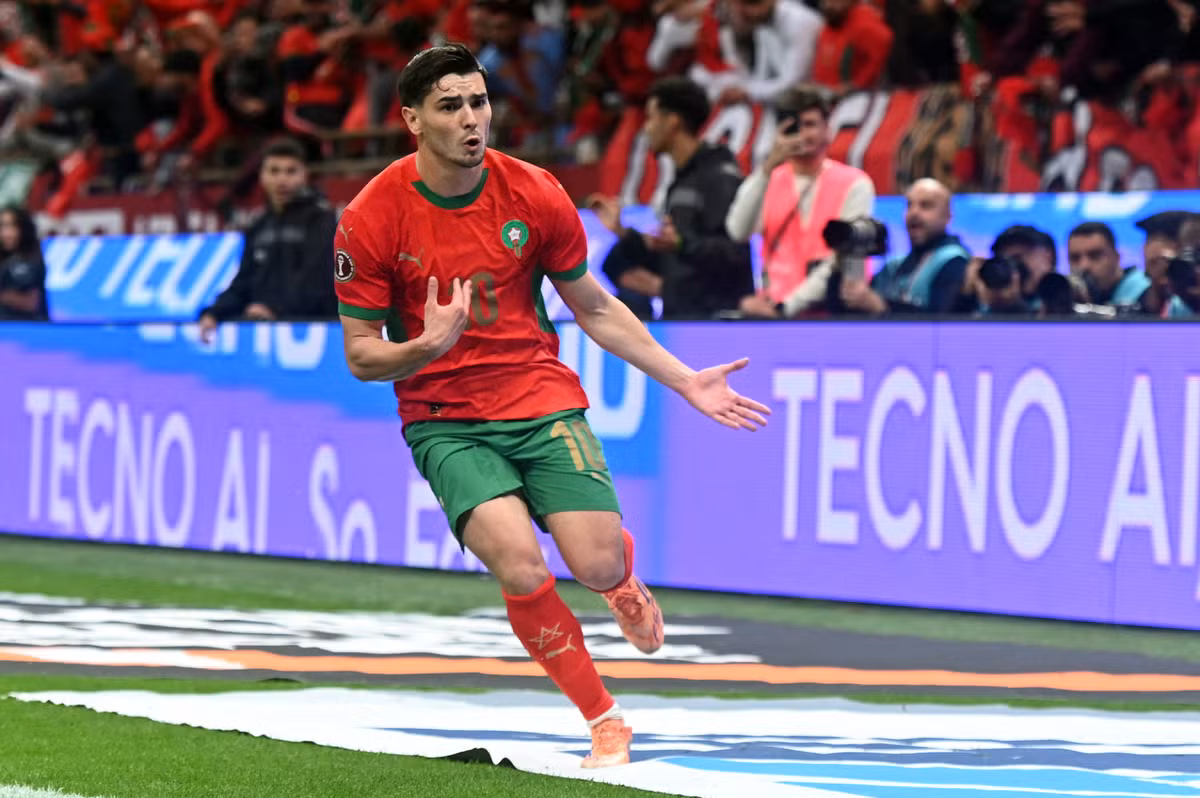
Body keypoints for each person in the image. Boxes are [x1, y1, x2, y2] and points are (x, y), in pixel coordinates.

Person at [332, 44, 769, 768]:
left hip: (539, 399)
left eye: (478, 102)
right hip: (445, 419)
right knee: (523, 569)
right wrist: (428, 345)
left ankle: (618, 582)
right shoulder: (371, 216)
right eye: (450, 106)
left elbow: (593, 306)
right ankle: (605, 720)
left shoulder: (534, 191)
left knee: (593, 562)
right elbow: (360, 354)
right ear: (412, 120)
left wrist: (685, 379)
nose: (471, 120)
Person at [590, 76, 754, 320]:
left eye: (651, 117)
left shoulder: (719, 177)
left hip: (714, 326)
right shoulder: (680, 181)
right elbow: (679, 258)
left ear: (672, 122)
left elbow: (734, 254)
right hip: (680, 322)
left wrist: (680, 244)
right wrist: (623, 233)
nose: (646, 128)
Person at [726, 86, 875, 318]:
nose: (803, 134)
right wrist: (767, 167)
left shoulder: (855, 183)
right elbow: (737, 231)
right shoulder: (768, 180)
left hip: (830, 313)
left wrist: (787, 307)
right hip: (773, 312)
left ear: (827, 129)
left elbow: (841, 257)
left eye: (810, 124)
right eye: (795, 126)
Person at [198, 137, 338, 342]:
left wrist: (274, 309)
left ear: (304, 175)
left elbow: (318, 283)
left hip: (314, 333)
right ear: (261, 176)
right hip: (266, 333)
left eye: (291, 171)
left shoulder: (321, 220)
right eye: (274, 171)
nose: (282, 180)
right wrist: (214, 313)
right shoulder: (259, 226)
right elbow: (244, 281)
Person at [840, 178, 969, 315]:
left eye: (926, 205)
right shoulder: (894, 266)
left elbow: (941, 320)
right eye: (909, 205)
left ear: (947, 216)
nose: (914, 212)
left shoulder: (955, 261)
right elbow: (850, 310)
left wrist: (881, 307)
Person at [0, 206, 49, 321]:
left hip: (26, 326)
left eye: (12, 226)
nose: (6, 234)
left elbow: (31, 303)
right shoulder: (4, 257)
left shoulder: (30, 259)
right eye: (2, 227)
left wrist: (6, 297)